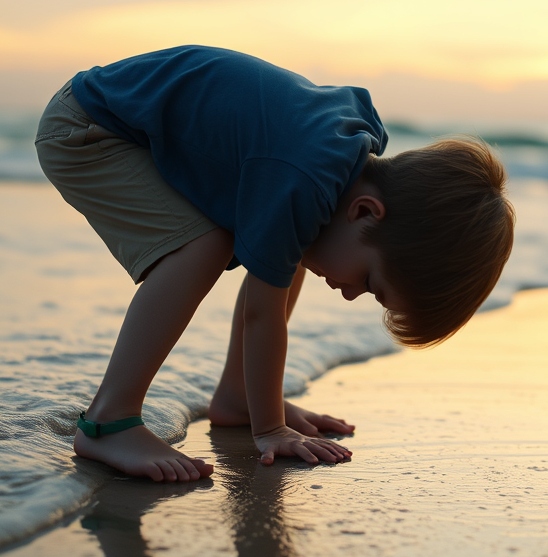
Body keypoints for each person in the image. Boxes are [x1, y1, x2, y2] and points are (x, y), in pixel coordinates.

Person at [35, 46, 516, 482]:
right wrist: (272, 429)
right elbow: (260, 315)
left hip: (122, 121)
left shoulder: (341, 160)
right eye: (369, 282)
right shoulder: (300, 177)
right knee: (203, 247)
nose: (350, 294)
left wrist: (257, 403)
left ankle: (237, 396)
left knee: (289, 247)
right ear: (366, 212)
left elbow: (280, 265)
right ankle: (108, 422)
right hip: (87, 129)